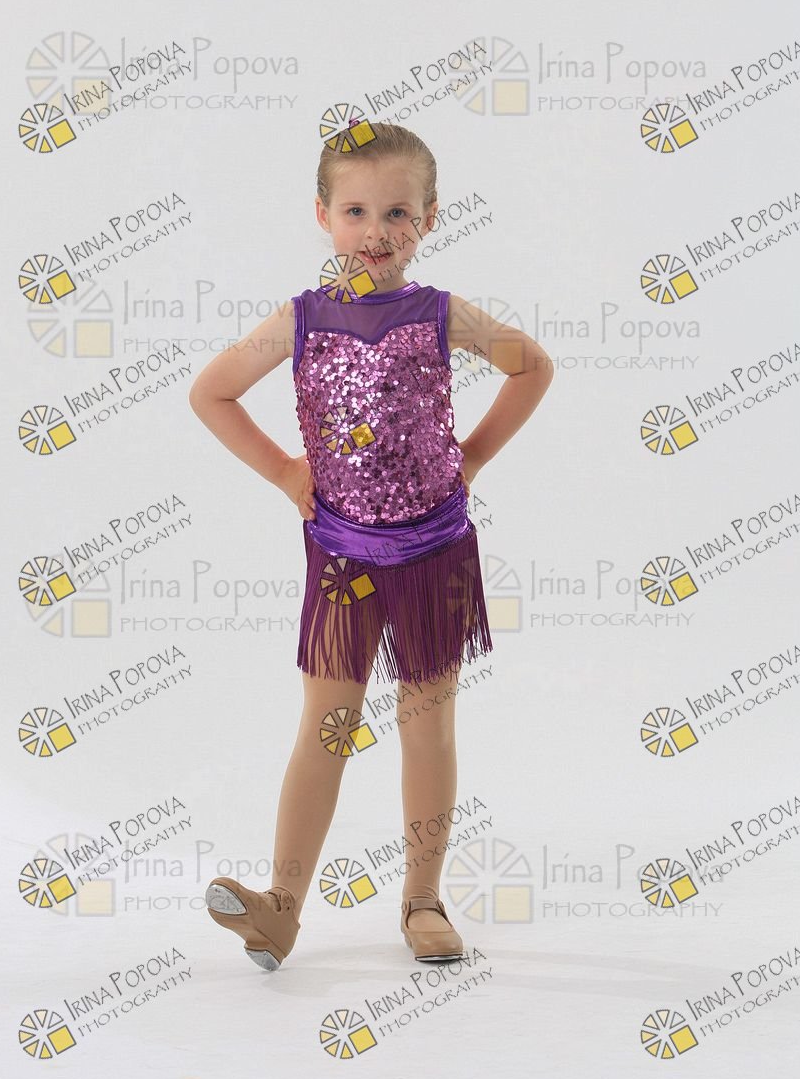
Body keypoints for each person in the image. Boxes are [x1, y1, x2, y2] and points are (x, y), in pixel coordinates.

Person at [187, 122, 554, 971]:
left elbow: (531, 366)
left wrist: (471, 458)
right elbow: (212, 393)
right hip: (343, 555)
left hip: (435, 549)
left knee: (426, 723)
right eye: (356, 211)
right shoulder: (303, 319)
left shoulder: (439, 313)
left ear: (430, 218)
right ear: (323, 215)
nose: (376, 231)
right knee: (327, 726)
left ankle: (423, 899)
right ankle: (281, 909)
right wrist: (285, 471)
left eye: (397, 212)